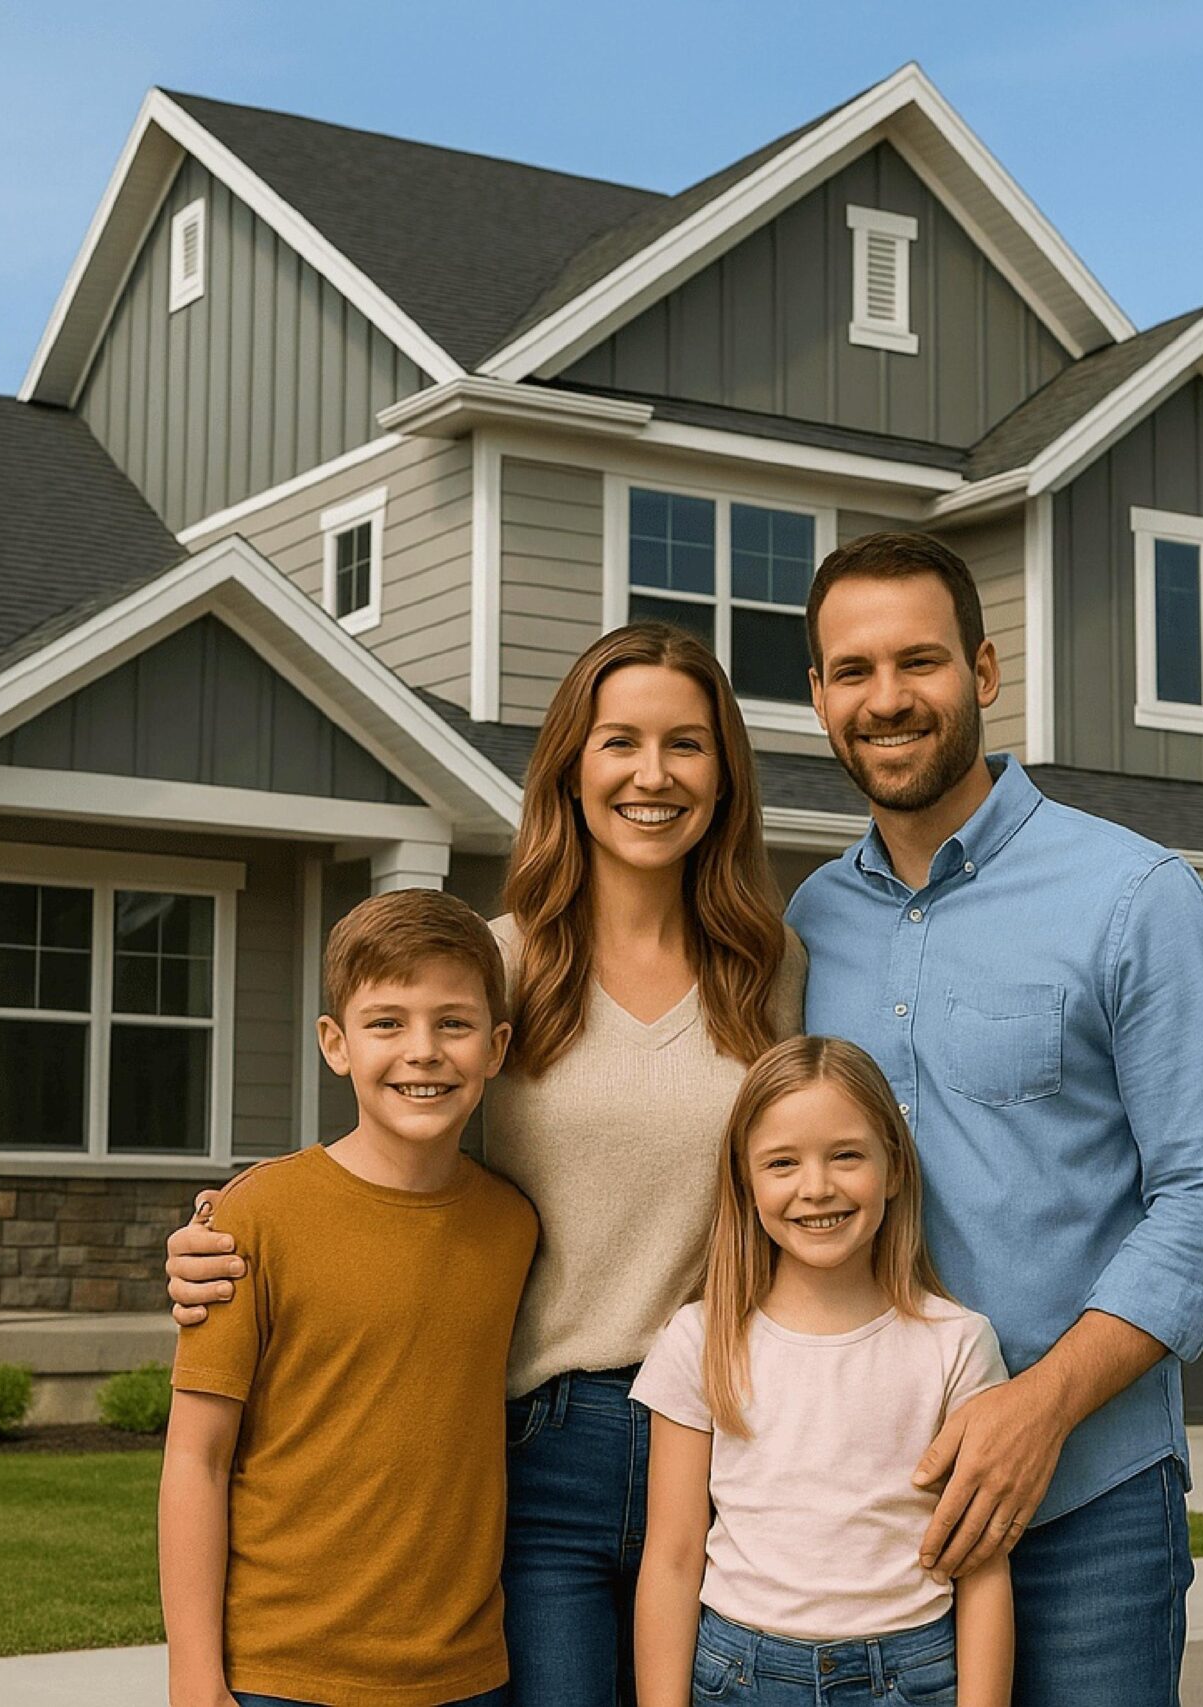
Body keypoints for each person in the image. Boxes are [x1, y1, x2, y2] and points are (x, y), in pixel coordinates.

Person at [169, 622, 803, 1704]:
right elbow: (386, 1153)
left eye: (686, 745)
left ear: (725, 774)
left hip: (729, 1435)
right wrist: (215, 1241)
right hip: (538, 1441)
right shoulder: (499, 964)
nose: (652, 775)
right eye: (619, 743)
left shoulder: (769, 967)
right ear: (569, 765)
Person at [789, 532, 1203, 1705]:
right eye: (851, 671)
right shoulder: (807, 924)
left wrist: (1036, 1408)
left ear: (985, 673)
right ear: (816, 696)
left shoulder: (1132, 897)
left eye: (920, 662)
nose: (887, 699)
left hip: (1085, 1508)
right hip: (861, 1513)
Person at [159, 886, 537, 1707]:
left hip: (465, 1673)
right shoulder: (253, 1218)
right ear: (336, 1043)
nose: (424, 1049)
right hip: (283, 1672)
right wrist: (194, 1675)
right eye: (387, 1022)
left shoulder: (513, 1225)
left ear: (498, 1045)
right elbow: (196, 1457)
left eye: (455, 1022)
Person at [632, 1035, 1011, 1707]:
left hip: (911, 1670)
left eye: (846, 1155)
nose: (817, 1187)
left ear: (892, 1168)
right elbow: (672, 1556)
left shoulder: (958, 1343)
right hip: (740, 1674)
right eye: (782, 1162)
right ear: (745, 1182)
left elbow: (981, 1568)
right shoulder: (700, 1339)